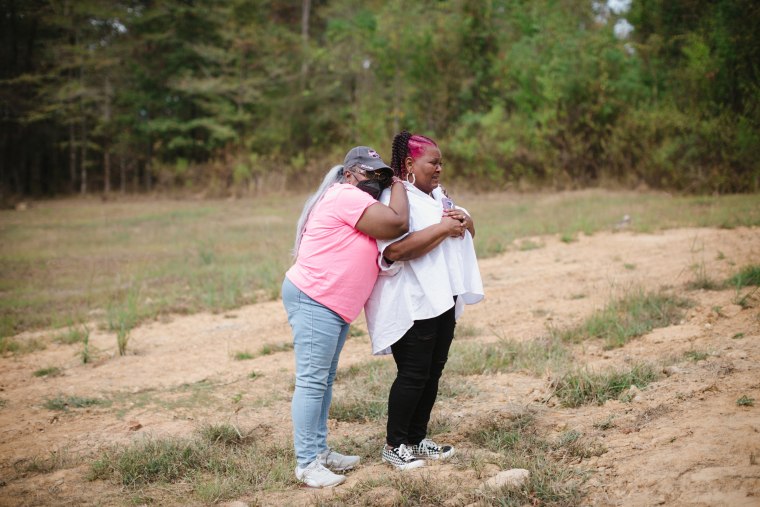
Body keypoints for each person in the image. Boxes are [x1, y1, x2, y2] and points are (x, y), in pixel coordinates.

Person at [282, 146, 409, 488]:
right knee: (312, 381)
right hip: (315, 298)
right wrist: (398, 182)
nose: (377, 180)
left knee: (323, 379)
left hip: (330, 303)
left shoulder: (353, 198)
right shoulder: (345, 195)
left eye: (382, 174)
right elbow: (397, 224)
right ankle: (307, 463)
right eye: (371, 174)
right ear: (350, 173)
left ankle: (320, 451)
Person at [364, 131, 484, 471]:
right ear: (408, 164)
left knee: (433, 372)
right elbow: (394, 250)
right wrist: (444, 229)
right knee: (414, 374)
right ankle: (394, 444)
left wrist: (462, 220)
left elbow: (464, 227)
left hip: (443, 297)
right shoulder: (394, 198)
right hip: (411, 301)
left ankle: (416, 439)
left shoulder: (437, 196)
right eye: (433, 162)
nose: (440, 168)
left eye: (441, 162)